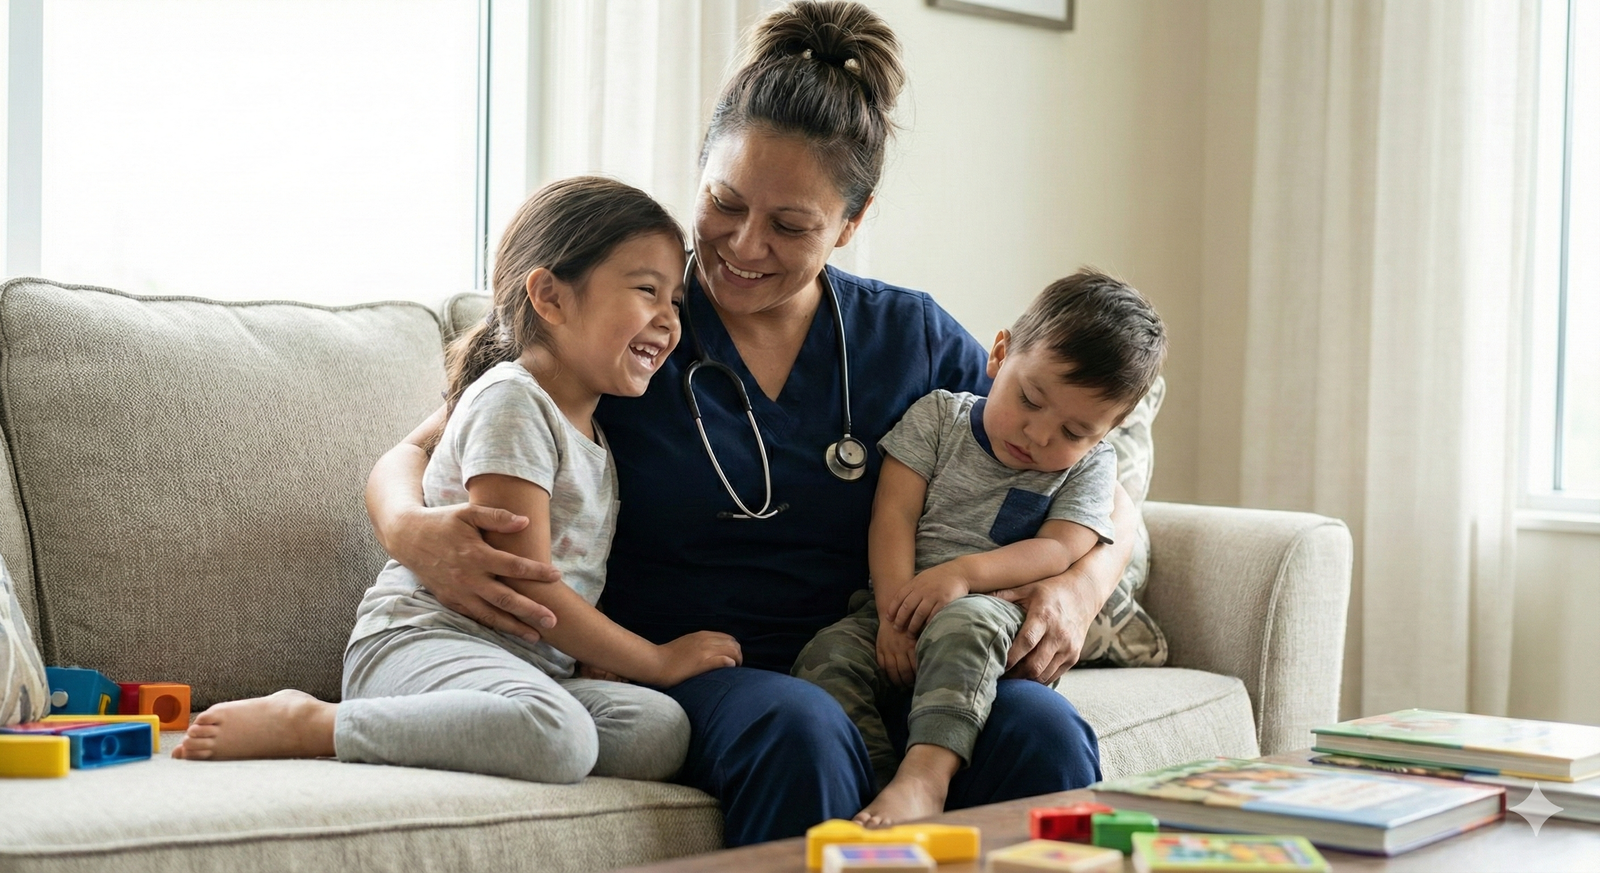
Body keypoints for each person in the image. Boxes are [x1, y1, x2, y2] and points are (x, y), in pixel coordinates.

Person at [365, 0, 1138, 846]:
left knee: (1044, 731)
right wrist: (410, 529)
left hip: (888, 645)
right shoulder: (627, 323)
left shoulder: (907, 337)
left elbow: (1099, 478)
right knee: (801, 729)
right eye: (724, 203)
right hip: (706, 664)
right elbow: (424, 444)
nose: (742, 243)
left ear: (853, 220)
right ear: (698, 171)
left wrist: (1078, 587)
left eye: (790, 224)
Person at [173, 177, 743, 783]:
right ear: (550, 297)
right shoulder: (514, 403)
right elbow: (528, 588)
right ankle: (315, 723)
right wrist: (655, 658)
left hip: (519, 665)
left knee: (657, 731)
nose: (668, 320)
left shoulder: (595, 428)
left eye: (675, 302)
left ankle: (496, 721)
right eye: (647, 291)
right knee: (560, 736)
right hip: (421, 643)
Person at [792, 270, 1167, 827]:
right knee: (824, 657)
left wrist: (964, 574)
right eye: (1031, 399)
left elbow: (1060, 550)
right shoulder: (937, 418)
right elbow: (893, 516)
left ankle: (927, 777)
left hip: (996, 617)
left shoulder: (1090, 468)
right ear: (999, 353)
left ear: (1103, 435)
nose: (1040, 436)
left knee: (965, 623)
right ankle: (881, 783)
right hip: (894, 608)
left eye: (1074, 431)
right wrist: (894, 614)